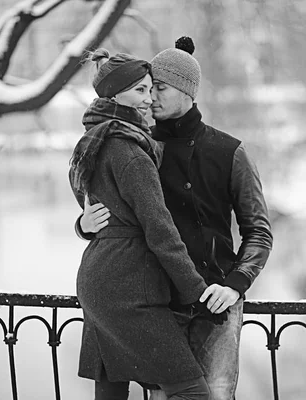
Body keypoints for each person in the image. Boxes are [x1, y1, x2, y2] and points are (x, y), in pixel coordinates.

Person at [77, 37, 273, 400]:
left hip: (215, 303)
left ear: (187, 91)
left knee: (212, 396)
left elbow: (258, 231)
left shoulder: (231, 151)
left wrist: (234, 284)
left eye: (160, 88)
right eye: (147, 89)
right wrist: (84, 224)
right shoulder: (135, 145)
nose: (151, 98)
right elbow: (113, 212)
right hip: (157, 303)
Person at [69, 49, 220, 400]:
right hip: (127, 288)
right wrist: (195, 290)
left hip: (99, 279)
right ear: (113, 94)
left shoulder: (95, 140)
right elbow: (160, 230)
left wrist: (83, 226)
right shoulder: (131, 153)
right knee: (191, 390)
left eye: (151, 90)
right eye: (139, 90)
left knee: (111, 389)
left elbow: (96, 210)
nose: (148, 99)